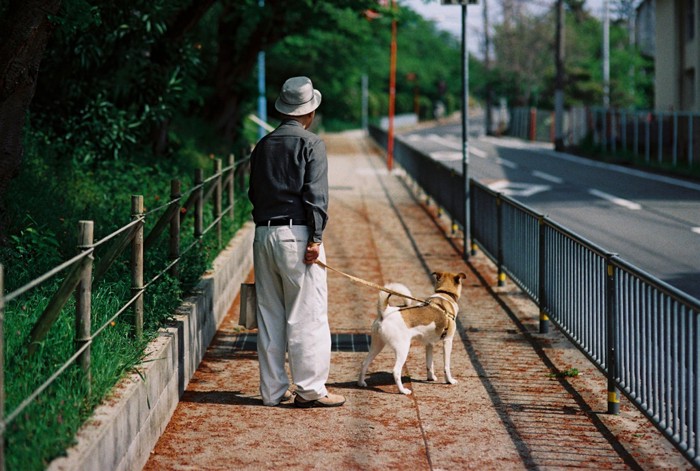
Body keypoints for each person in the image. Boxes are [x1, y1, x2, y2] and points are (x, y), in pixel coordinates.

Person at [248, 76, 345, 408]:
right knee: (307, 315)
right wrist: (316, 238)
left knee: (269, 315)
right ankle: (310, 390)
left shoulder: (262, 145)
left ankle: (273, 392)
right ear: (309, 111)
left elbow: (253, 193)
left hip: (263, 235)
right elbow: (316, 197)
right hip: (298, 234)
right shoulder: (311, 144)